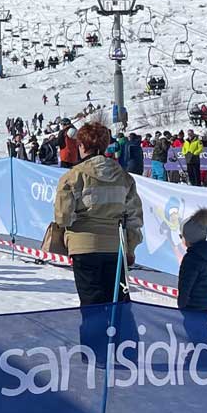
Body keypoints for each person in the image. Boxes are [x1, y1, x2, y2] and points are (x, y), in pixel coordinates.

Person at [53, 122, 143, 306]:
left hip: (84, 247)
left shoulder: (73, 176)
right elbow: (134, 218)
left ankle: (94, 334)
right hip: (114, 248)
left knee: (92, 306)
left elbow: (63, 217)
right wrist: (130, 248)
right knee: (117, 306)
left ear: (82, 146)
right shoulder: (124, 177)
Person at [177, 208, 207, 313]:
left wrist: (181, 304)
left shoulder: (190, 259)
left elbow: (186, 284)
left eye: (181, 236)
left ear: (188, 239)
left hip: (192, 308)